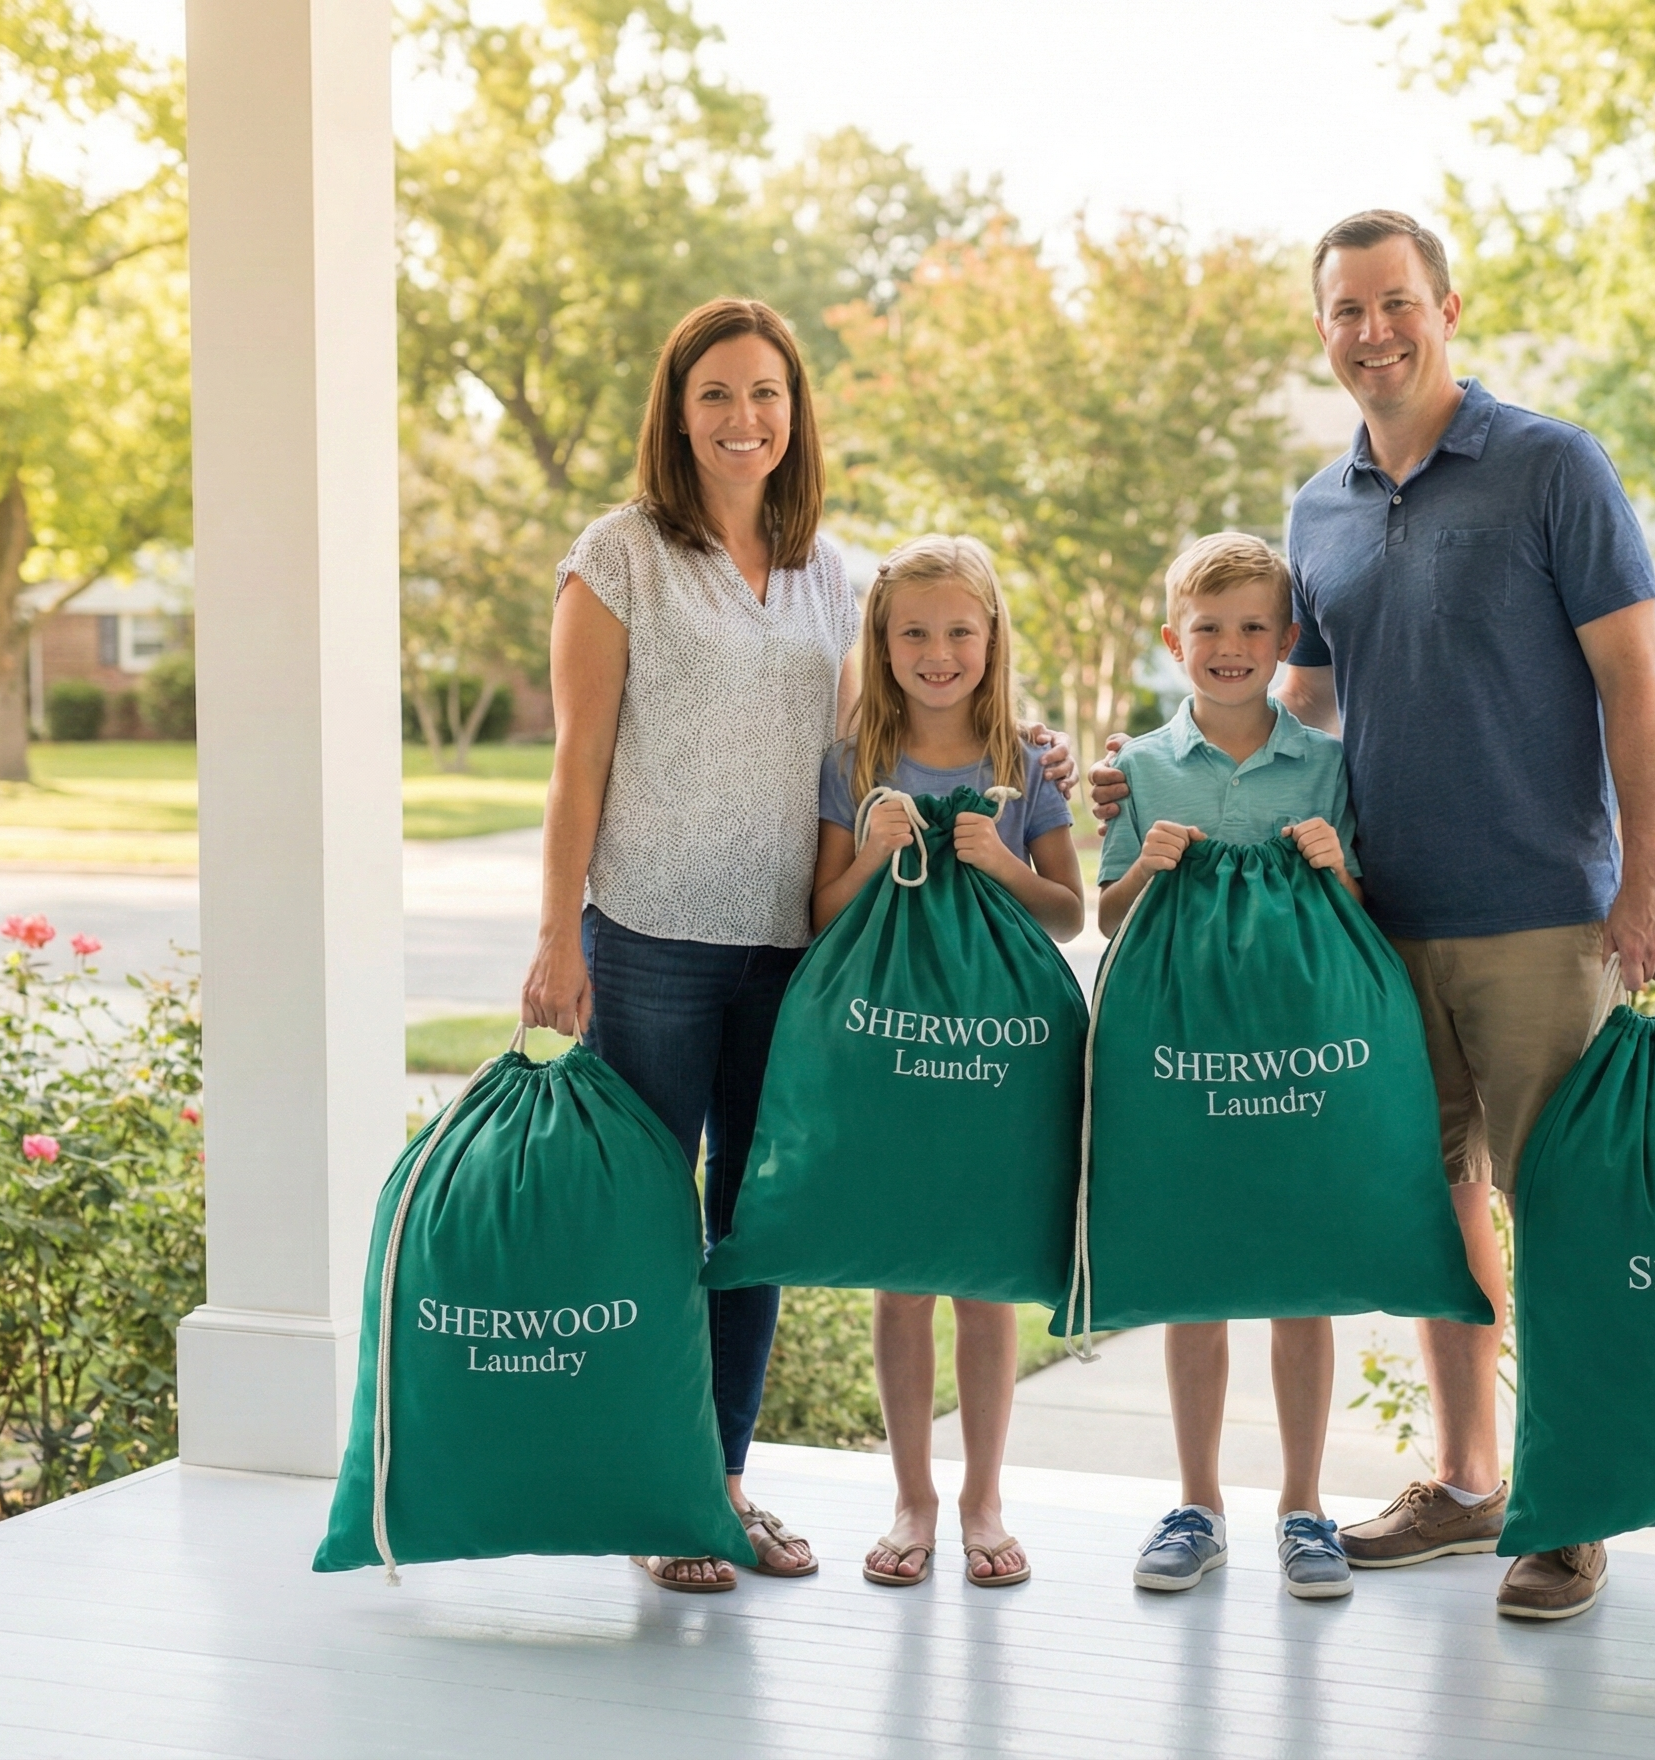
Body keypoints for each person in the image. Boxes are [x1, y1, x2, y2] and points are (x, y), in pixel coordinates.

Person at [1092, 212, 1655, 1622]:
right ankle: (1470, 1482)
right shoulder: (1318, 510)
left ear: (1447, 307)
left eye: (1396, 302)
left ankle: (1573, 1503)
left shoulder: (1552, 466)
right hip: (1367, 927)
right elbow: (1288, 706)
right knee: (1431, 1207)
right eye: (1347, 311)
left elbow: (1633, 685)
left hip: (1540, 909)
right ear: (1324, 331)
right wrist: (1158, 761)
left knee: (1559, 1207)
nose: (1374, 331)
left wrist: (1643, 880)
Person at [520, 298, 1071, 1594]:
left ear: (795, 412)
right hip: (650, 934)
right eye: (715, 392)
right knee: (658, 1223)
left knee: (748, 1226)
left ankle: (718, 1486)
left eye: (766, 392)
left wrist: (1029, 752)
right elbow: (573, 762)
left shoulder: (841, 571)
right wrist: (559, 935)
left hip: (800, 947)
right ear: (677, 408)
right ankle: (657, 1491)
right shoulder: (618, 558)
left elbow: (934, 680)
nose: (742, 417)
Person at [811, 534, 1084, 1589]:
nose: (937, 652)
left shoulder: (1021, 766)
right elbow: (822, 915)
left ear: (991, 637)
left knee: (981, 1283)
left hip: (998, 1055)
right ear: (880, 644)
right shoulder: (851, 767)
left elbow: (1067, 914)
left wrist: (1006, 863)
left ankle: (982, 1497)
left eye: (957, 631)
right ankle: (910, 1496)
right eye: (913, 632)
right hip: (886, 1051)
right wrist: (875, 852)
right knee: (898, 1279)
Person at [1101, 532, 1364, 1604]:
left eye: (1254, 625)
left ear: (1286, 638)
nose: (1230, 645)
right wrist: (1145, 871)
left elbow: (1356, 922)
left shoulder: (1328, 764)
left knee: (1301, 1279)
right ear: (1174, 640)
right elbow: (1110, 917)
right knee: (1196, 1278)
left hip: (1297, 1054)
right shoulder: (1143, 766)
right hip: (1182, 1058)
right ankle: (1195, 1502)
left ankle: (1303, 1506)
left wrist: (1336, 866)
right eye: (1207, 627)